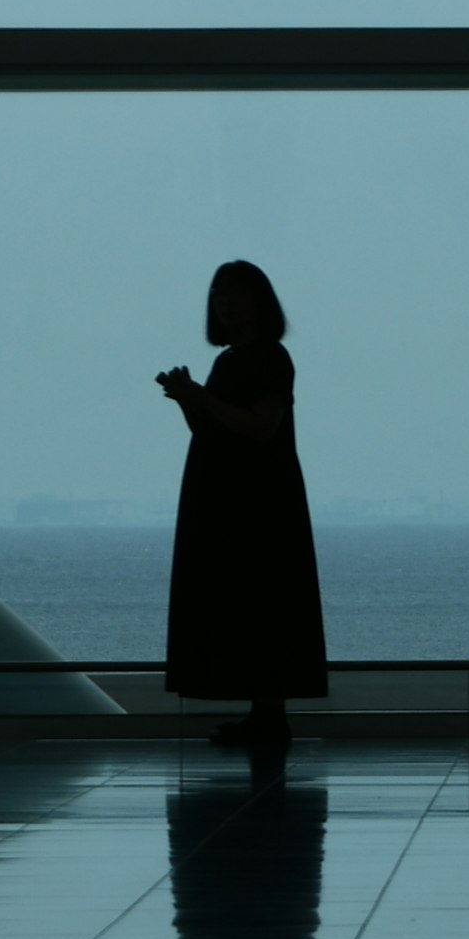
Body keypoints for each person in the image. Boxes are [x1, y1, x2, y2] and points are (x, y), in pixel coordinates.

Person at [157, 259, 329, 754]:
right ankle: (264, 716)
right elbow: (215, 429)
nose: (225, 302)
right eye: (218, 294)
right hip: (231, 497)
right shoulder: (231, 360)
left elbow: (260, 427)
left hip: (258, 501)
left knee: (262, 601)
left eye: (235, 293)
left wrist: (199, 399)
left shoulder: (271, 358)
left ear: (259, 302)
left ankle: (268, 716)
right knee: (249, 604)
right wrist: (189, 400)